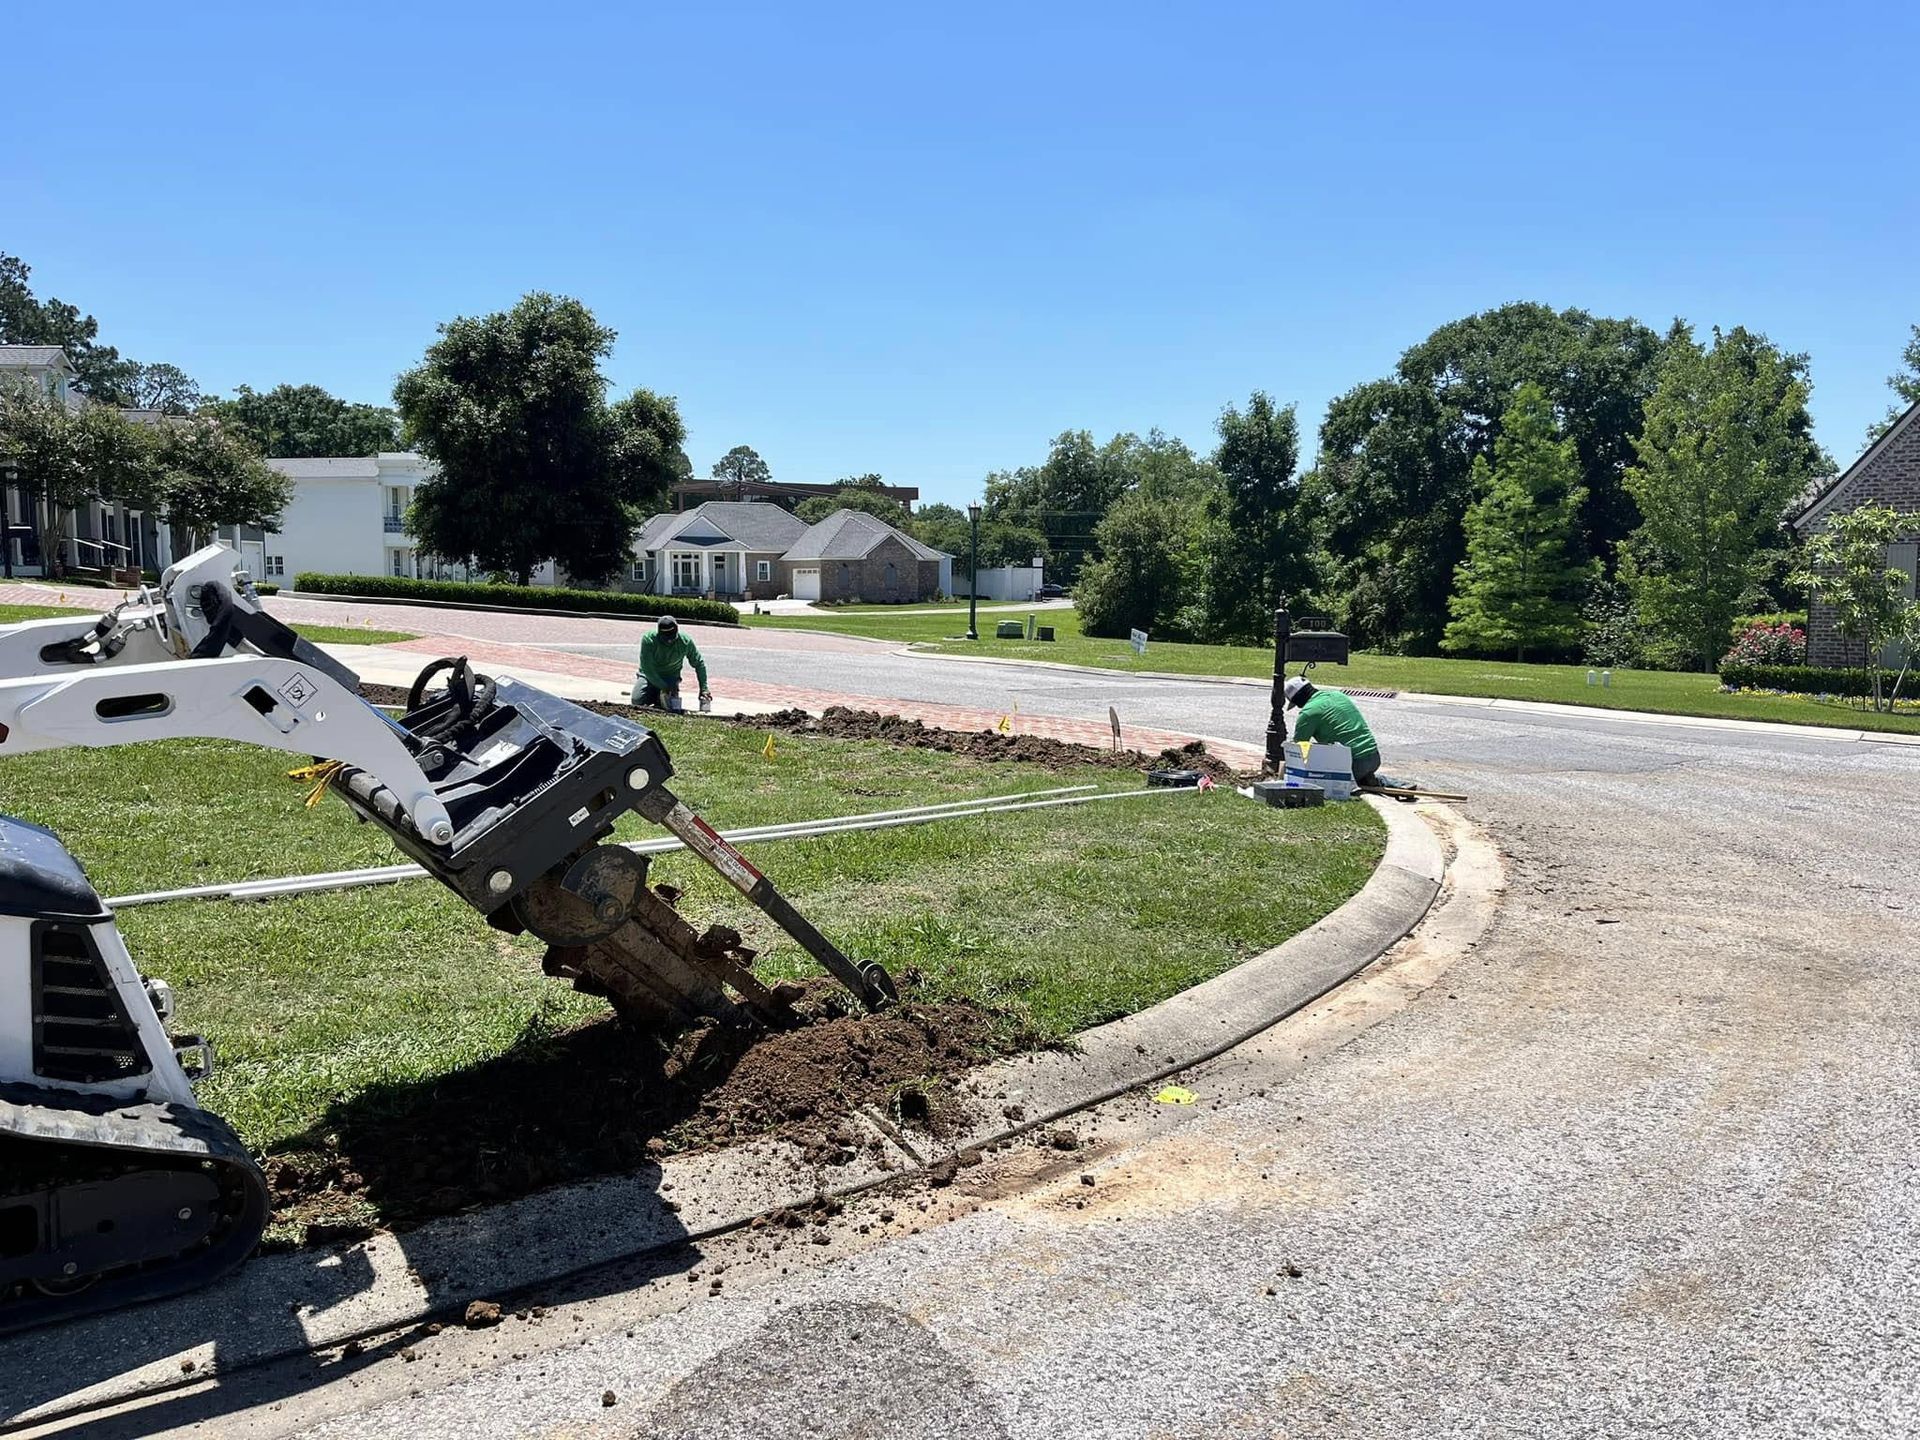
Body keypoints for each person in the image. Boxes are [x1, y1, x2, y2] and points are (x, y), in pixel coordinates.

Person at [1284, 674, 1382, 786]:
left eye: (1296, 704)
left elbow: (1298, 750)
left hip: (1354, 763)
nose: (1299, 707)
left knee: (1314, 773)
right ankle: (1369, 778)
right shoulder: (1339, 695)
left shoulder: (1308, 712)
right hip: (1374, 756)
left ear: (1298, 698)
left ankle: (1358, 777)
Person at [632, 615, 711, 712]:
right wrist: (664, 687)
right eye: (666, 638)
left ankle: (659, 698)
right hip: (648, 676)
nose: (669, 641)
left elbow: (699, 664)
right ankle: (654, 695)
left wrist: (704, 689)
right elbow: (647, 669)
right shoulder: (649, 640)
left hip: (671, 677)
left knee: (671, 707)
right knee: (637, 701)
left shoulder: (685, 642)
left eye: (672, 637)